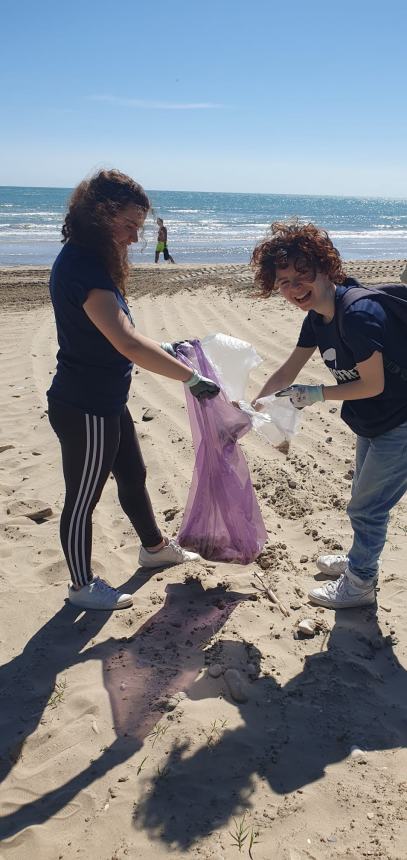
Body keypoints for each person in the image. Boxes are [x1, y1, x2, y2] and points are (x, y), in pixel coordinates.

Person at [47, 169, 219, 611]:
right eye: (128, 225)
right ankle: (82, 587)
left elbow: (115, 335)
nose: (134, 237)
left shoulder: (91, 258)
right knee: (83, 498)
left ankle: (155, 548)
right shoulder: (84, 265)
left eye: (139, 227)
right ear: (99, 215)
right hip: (84, 405)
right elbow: (124, 342)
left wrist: (164, 348)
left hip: (107, 398)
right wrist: (190, 378)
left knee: (133, 475)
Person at [250, 221, 407, 610]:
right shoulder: (316, 319)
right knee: (364, 498)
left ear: (326, 267)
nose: (293, 288)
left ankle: (360, 584)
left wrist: (317, 393)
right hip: (373, 419)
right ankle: (359, 562)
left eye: (302, 274)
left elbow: (372, 384)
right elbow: (287, 370)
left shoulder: (357, 314)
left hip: (400, 422)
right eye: (283, 281)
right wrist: (252, 405)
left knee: (367, 506)